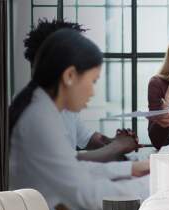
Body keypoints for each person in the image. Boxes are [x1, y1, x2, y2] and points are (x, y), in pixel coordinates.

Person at [9, 29, 150, 210]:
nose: (93, 92)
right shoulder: (40, 119)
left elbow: (74, 168)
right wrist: (150, 186)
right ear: (69, 76)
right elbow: (87, 195)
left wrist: (132, 169)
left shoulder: (42, 108)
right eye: (93, 81)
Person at [24, 19, 140, 162]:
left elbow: (88, 138)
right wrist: (117, 147)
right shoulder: (36, 116)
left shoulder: (59, 104)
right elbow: (70, 165)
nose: (92, 92)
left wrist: (113, 141)